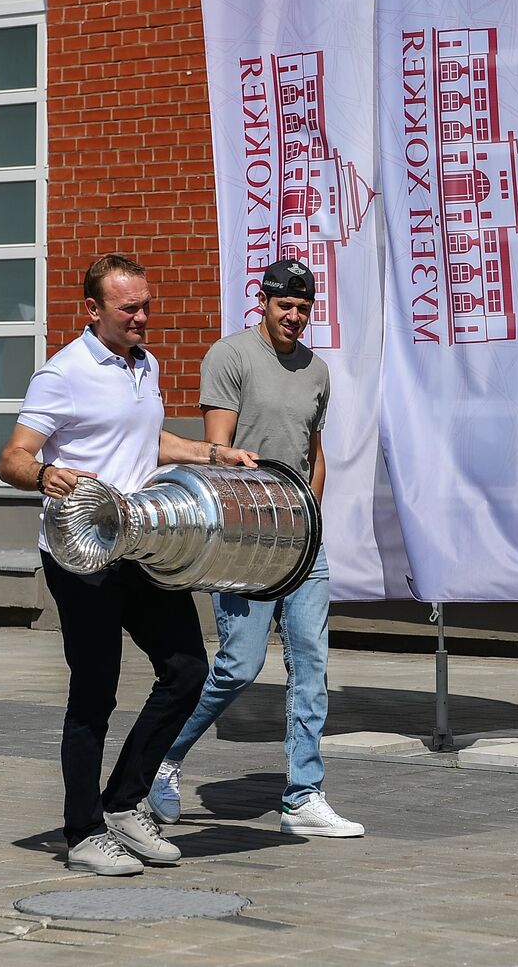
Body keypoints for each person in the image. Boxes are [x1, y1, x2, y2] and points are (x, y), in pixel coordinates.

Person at [0, 254, 258, 876]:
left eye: (146, 304)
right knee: (96, 692)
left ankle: (123, 802)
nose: (144, 316)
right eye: (130, 308)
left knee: (187, 668)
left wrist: (213, 453)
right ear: (94, 310)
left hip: (140, 541)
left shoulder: (146, 365)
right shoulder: (62, 374)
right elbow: (12, 456)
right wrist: (43, 474)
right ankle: (84, 832)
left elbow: (148, 439)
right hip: (81, 551)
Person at [148, 259, 364, 838]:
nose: (293, 316)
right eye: (283, 305)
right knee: (239, 666)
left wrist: (311, 513)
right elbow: (217, 453)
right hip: (244, 536)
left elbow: (312, 450)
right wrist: (235, 531)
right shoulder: (231, 356)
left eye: (303, 308)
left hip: (301, 537)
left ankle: (303, 795)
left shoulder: (316, 370)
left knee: (312, 666)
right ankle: (159, 761)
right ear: (263, 302)